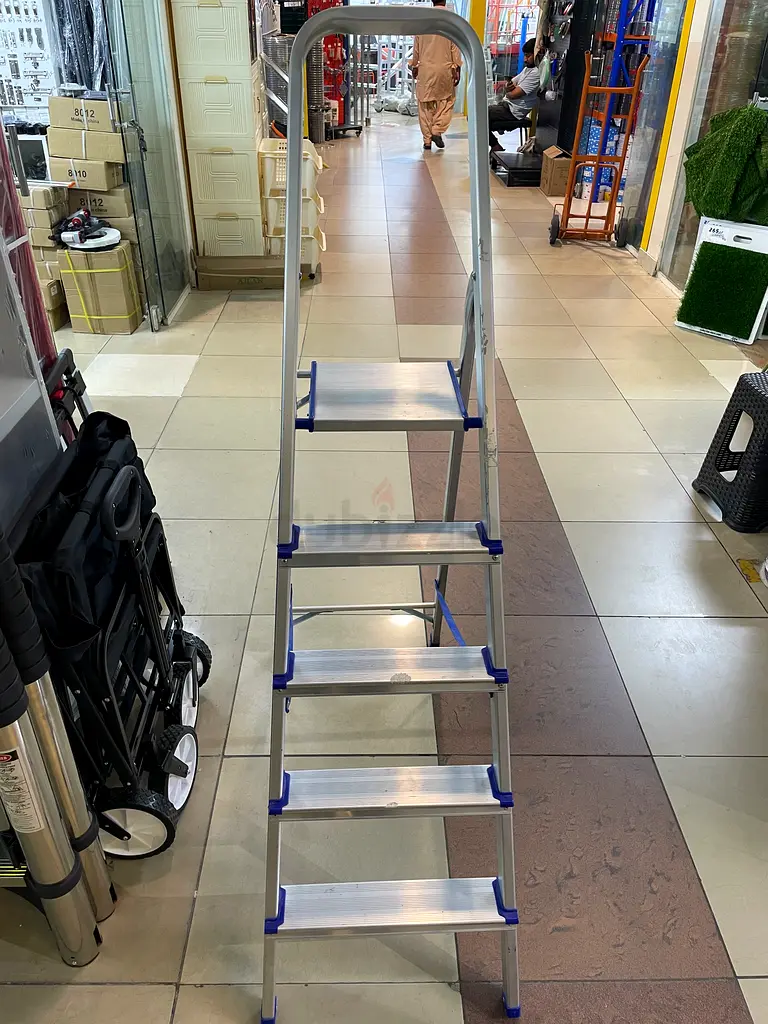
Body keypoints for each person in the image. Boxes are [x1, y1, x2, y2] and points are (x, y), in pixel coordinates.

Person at [411, 0, 462, 151]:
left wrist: (414, 65)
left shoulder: (423, 22)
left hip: (425, 70)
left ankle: (427, 141)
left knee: (424, 104)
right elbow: (455, 47)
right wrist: (457, 67)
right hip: (444, 69)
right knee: (446, 101)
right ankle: (437, 129)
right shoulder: (451, 20)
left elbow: (416, 48)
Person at [488, 38, 540, 152]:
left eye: (528, 56)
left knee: (478, 116)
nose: (525, 59)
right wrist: (509, 89)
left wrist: (509, 91)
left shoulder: (536, 74)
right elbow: (509, 84)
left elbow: (513, 94)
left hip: (512, 112)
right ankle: (495, 146)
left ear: (536, 54)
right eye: (525, 56)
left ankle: (495, 146)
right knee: (478, 116)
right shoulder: (527, 70)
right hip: (505, 106)